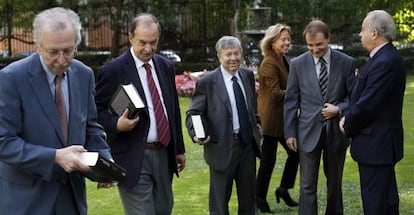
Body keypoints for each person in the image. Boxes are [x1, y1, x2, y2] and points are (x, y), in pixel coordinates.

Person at [0, 7, 112, 215]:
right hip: (26, 201)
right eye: (53, 52)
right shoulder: (11, 79)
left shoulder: (84, 74)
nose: (62, 59)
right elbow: (4, 141)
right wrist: (54, 157)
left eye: (68, 51)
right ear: (39, 47)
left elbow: (90, 128)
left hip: (71, 198)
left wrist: (104, 161)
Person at [95, 13, 186, 215]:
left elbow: (172, 110)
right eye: (142, 42)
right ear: (130, 38)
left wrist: (178, 148)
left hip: (163, 153)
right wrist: (115, 124)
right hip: (131, 155)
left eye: (153, 42)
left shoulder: (165, 66)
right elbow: (95, 112)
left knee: (164, 209)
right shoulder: (113, 70)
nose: (148, 48)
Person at [284, 20, 355, 215]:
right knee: (307, 186)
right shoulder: (297, 64)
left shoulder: (346, 62)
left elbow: (354, 97)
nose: (315, 49)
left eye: (319, 45)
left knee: (334, 183)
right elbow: (291, 101)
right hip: (306, 133)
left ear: (329, 39)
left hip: (336, 133)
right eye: (310, 45)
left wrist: (339, 109)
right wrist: (290, 132)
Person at [185, 36, 262, 215]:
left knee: (249, 201)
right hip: (221, 149)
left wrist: (258, 131)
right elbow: (193, 113)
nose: (233, 58)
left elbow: (252, 109)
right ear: (219, 56)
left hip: (247, 147)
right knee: (219, 204)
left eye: (236, 53)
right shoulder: (207, 82)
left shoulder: (247, 75)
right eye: (228, 54)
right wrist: (197, 133)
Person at [339, 10, 405, 215]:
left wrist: (347, 122)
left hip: (377, 144)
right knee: (385, 201)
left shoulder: (385, 61)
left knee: (377, 204)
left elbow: (369, 104)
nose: (360, 34)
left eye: (362, 29)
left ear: (374, 33)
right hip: (378, 144)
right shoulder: (383, 58)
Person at [256, 23, 299, 213]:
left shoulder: (283, 59)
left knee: (296, 154)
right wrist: (298, 91)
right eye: (283, 39)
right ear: (272, 42)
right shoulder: (268, 63)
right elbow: (274, 94)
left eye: (288, 38)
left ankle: (283, 189)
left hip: (284, 118)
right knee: (268, 161)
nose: (287, 42)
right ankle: (258, 197)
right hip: (270, 119)